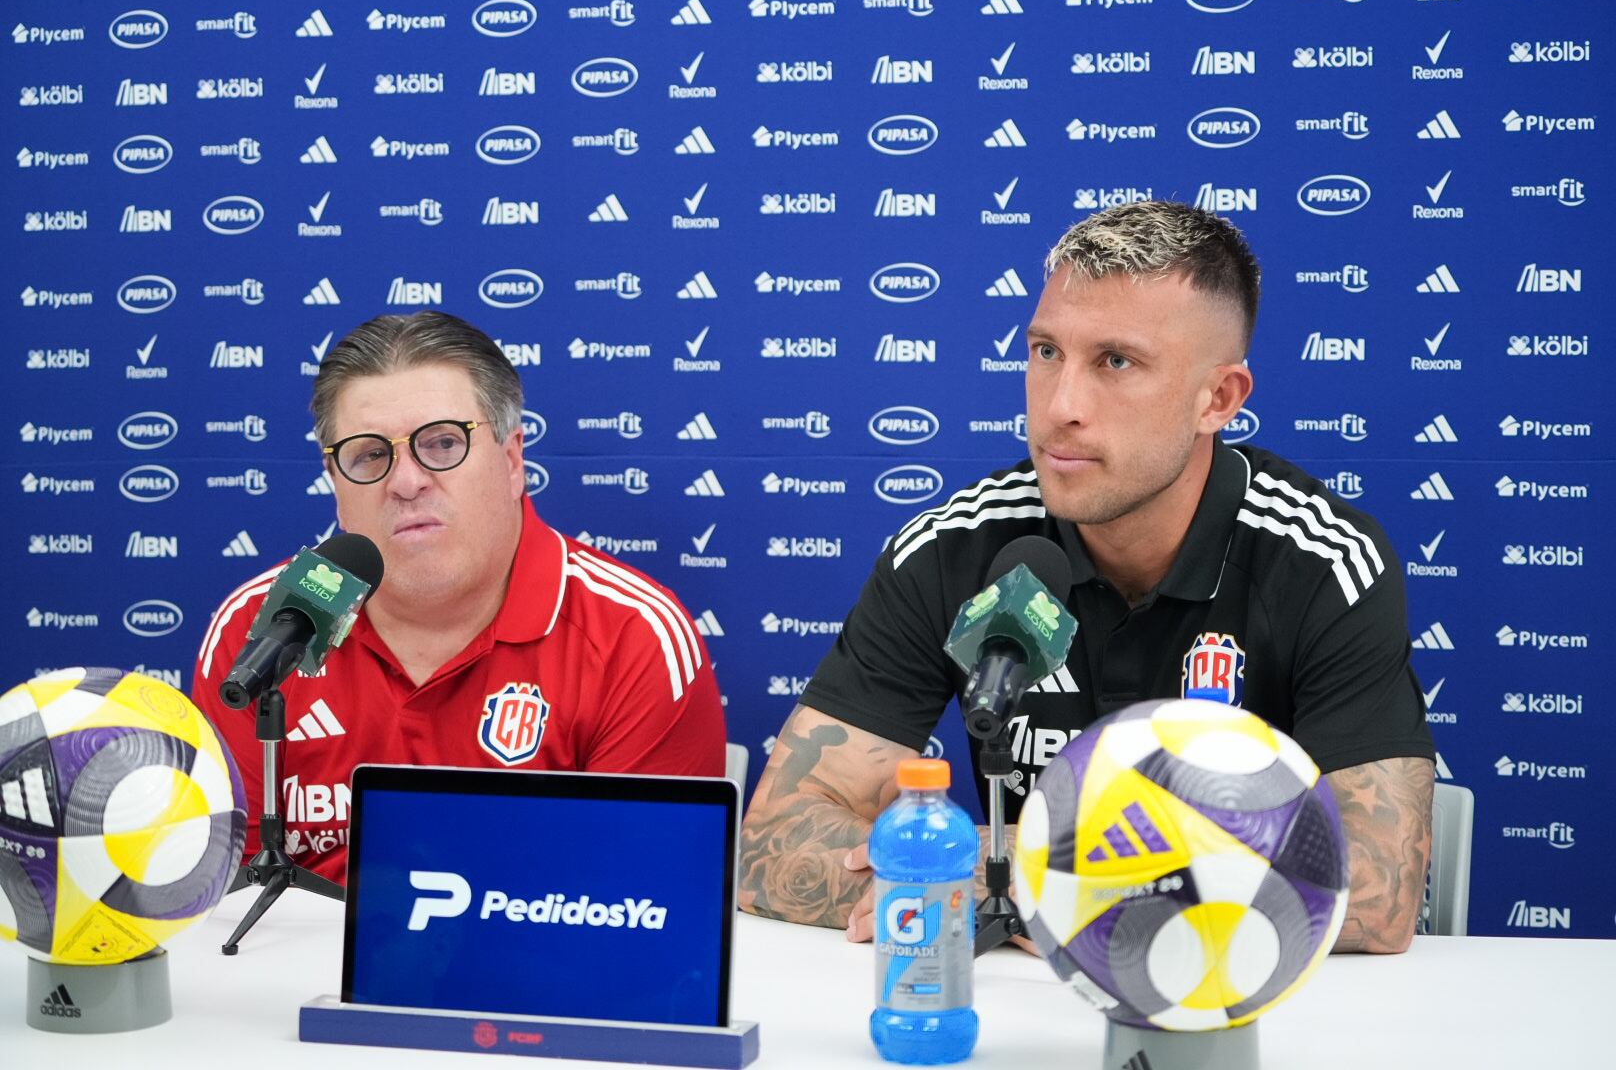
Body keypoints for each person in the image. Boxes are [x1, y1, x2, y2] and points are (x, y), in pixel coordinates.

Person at [739, 201, 1435, 955]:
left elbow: (1379, 885)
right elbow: (772, 839)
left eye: (1116, 361)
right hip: (1018, 1007)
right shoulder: (955, 549)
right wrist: (984, 883)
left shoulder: (1322, 559)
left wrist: (1053, 879)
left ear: (1220, 399)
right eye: (1045, 353)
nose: (1061, 407)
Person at [192, 311, 725, 882]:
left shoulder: (633, 636)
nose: (406, 481)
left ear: (513, 459)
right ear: (334, 479)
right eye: (371, 455)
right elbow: (219, 891)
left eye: (442, 443)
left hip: (534, 965)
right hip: (299, 969)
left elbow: (645, 899)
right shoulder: (260, 627)